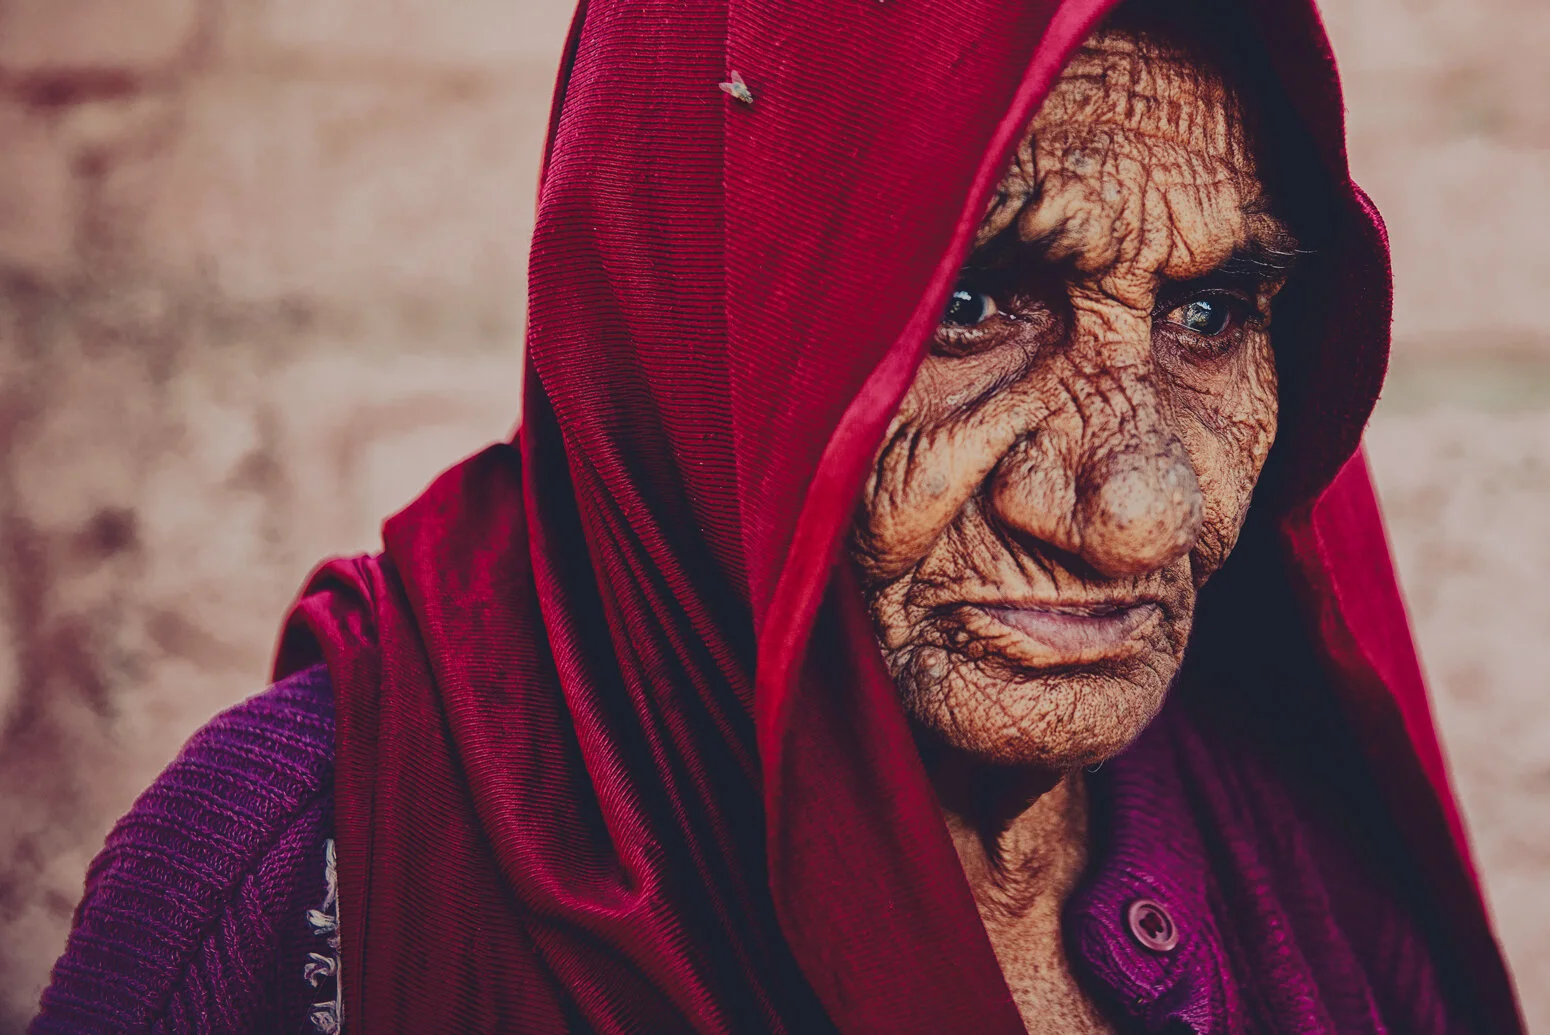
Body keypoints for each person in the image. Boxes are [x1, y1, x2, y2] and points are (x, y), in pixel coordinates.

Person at [31, 0, 1525, 1031]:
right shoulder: (303, 870)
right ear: (695, 322)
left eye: (1209, 310)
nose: (1135, 511)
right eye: (970, 303)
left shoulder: (1317, 882)